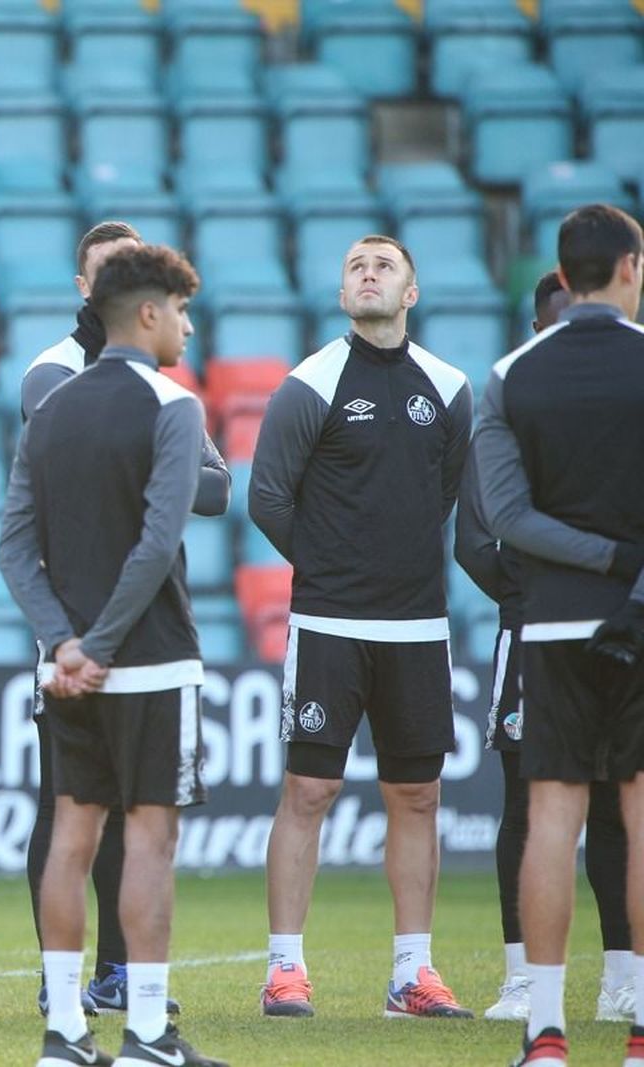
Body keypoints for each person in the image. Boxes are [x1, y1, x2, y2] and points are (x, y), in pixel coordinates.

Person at [0, 243, 225, 1067]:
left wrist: (63, 643)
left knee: (70, 836)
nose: (189, 327)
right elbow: (160, 540)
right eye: (182, 309)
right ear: (147, 311)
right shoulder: (173, 406)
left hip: (65, 668)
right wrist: (97, 644)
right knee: (149, 839)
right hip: (152, 660)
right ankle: (148, 1034)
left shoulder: (51, 407)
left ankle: (64, 1034)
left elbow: (14, 548)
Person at [248, 235, 473, 1020]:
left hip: (417, 624)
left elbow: (443, 494)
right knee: (310, 788)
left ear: (410, 292)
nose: (368, 273)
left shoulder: (449, 388)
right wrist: (338, 569)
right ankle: (284, 968)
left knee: (417, 793)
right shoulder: (309, 384)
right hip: (329, 622)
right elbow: (268, 499)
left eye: (383, 266)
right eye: (355, 266)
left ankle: (413, 973)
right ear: (343, 292)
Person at [470, 203, 644, 1067]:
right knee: (641, 813)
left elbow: (504, 516)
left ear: (563, 277)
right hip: (641, 621)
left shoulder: (509, 373)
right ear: (629, 267)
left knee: (551, 814)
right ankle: (641, 1020)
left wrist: (593, 557)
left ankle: (544, 1026)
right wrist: (628, 561)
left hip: (552, 622)